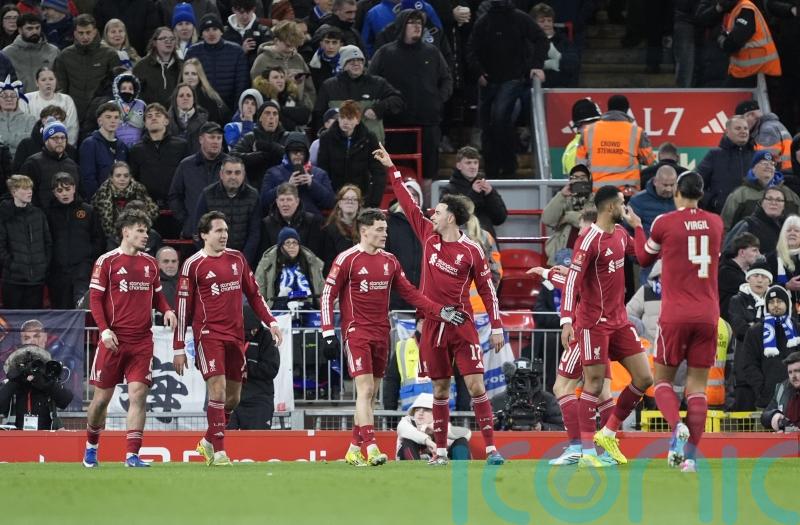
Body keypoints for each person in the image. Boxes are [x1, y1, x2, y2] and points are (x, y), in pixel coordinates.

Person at [376, 143, 507, 466]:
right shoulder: (429, 236)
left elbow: (487, 290)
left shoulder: (472, 251)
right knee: (439, 389)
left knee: (476, 385)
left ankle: (492, 449)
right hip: (434, 325)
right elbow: (407, 203)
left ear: (451, 218)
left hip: (462, 323)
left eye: (438, 211)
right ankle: (441, 452)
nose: (432, 214)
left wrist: (496, 326)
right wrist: (392, 168)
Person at [321, 207, 464, 466]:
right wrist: (328, 332)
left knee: (371, 394)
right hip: (356, 332)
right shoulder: (347, 259)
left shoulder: (390, 261)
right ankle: (372, 447)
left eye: (385, 229)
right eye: (380, 229)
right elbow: (327, 295)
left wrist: (438, 310)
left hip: (381, 333)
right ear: (364, 231)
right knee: (365, 390)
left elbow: (411, 293)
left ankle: (353, 448)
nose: (385, 234)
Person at [628, 171, 724, 473]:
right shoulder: (716, 223)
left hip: (675, 314)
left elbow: (643, 259)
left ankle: (676, 427)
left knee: (662, 381)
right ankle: (690, 459)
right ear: (701, 194)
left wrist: (636, 227)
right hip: (708, 314)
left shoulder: (664, 222)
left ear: (677, 193)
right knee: (697, 388)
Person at [173, 211, 283, 466]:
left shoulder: (237, 259)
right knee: (218, 390)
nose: (224, 235)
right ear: (204, 235)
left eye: (225, 231)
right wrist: (179, 347)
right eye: (218, 231)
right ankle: (219, 452)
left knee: (233, 398)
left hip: (235, 336)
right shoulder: (193, 265)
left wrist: (272, 322)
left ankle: (207, 441)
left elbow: (254, 294)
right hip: (208, 335)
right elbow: (183, 309)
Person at [559, 184, 654, 467]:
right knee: (594, 383)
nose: (626, 208)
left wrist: (639, 227)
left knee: (644, 378)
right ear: (611, 207)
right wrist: (567, 320)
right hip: (594, 324)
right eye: (623, 203)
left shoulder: (621, 233)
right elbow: (572, 282)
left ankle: (608, 433)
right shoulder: (589, 240)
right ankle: (588, 453)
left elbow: (644, 257)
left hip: (620, 322)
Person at [83, 209, 177, 468]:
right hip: (113, 340)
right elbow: (95, 300)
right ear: (126, 232)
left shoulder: (150, 264)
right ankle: (91, 447)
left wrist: (167, 310)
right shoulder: (107, 261)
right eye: (140, 230)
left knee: (138, 394)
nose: (146, 235)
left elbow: (157, 295)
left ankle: (132, 456)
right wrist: (104, 330)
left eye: (146, 231)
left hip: (142, 341)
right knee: (101, 401)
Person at [369, 10, 451, 184]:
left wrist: (438, 100)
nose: (417, 26)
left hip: (428, 122)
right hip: (395, 123)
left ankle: (426, 202)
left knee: (428, 172)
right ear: (401, 25)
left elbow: (446, 79)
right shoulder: (385, 53)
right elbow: (372, 81)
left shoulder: (432, 52)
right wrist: (383, 106)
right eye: (412, 22)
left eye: (419, 23)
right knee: (398, 171)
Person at [467, 0, 546, 179]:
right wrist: (478, 72)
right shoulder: (484, 21)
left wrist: (536, 64)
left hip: (512, 78)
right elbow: (471, 49)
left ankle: (508, 167)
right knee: (488, 125)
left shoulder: (520, 18)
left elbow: (541, 39)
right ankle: (493, 170)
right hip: (488, 80)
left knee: (500, 118)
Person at [313, 44, 403, 142]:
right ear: (343, 64)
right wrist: (323, 137)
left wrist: (379, 109)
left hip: (371, 144)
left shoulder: (377, 83)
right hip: (338, 144)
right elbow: (319, 115)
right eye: (351, 61)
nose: (356, 64)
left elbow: (398, 100)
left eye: (360, 60)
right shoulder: (329, 86)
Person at [45, 172, 105, 309]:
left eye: (67, 189)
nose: (64, 193)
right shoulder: (48, 213)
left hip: (82, 268)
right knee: (61, 310)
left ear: (74, 188)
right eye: (60, 190)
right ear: (54, 193)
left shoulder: (88, 211)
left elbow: (98, 239)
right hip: (57, 271)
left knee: (81, 308)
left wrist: (88, 258)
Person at [575, 95, 655, 193]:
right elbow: (649, 160)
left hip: (598, 193)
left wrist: (581, 192)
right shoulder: (636, 132)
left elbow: (580, 166)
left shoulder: (588, 131)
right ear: (626, 110)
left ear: (608, 108)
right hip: (627, 192)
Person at [739, 285, 800, 410]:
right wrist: (762, 389)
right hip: (766, 401)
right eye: (771, 302)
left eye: (779, 301)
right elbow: (748, 364)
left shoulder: (797, 328)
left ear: (787, 303)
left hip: (797, 399)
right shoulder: (755, 331)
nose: (775, 305)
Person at [194, 155, 262, 266]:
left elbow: (254, 234)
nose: (233, 177)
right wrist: (211, 258)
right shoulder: (207, 194)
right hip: (212, 261)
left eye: (237, 173)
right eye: (229, 172)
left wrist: (242, 261)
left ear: (243, 175)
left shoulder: (253, 196)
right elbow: (199, 230)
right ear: (221, 174)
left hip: (243, 261)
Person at [52, 14, 121, 122]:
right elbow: (60, 89)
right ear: (75, 33)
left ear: (95, 32)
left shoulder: (110, 55)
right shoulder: (64, 56)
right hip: (73, 113)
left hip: (101, 113)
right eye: (81, 33)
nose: (85, 37)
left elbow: (115, 87)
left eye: (88, 32)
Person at [316, 99, 385, 207]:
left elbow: (378, 171)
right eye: (342, 117)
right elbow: (323, 170)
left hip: (361, 196)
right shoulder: (326, 137)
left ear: (358, 120)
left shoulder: (369, 138)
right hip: (334, 196)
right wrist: (329, 197)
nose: (345, 122)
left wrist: (373, 202)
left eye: (350, 118)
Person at [128, 102, 190, 216]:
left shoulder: (182, 146)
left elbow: (188, 176)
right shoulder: (136, 150)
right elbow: (133, 181)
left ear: (166, 121)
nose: (153, 118)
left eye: (158, 115)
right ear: (145, 123)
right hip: (147, 209)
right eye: (149, 116)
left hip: (177, 208)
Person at [0, 174, 51, 309]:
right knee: (13, 321)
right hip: (13, 281)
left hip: (36, 281)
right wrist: (13, 265)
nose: (30, 192)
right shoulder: (4, 215)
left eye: (30, 188)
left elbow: (48, 243)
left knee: (33, 319)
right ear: (14, 192)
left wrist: (43, 265)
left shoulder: (38, 214)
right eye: (25, 188)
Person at [168, 121, 225, 240]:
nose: (216, 141)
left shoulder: (231, 166)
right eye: (211, 137)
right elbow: (174, 196)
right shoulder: (186, 165)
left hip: (223, 233)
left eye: (219, 138)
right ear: (201, 139)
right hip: (193, 233)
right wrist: (188, 220)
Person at [228, 305, 281, 430]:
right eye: (250, 330)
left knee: (257, 440)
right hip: (232, 398)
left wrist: (246, 367)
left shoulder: (267, 337)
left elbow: (271, 368)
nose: (253, 332)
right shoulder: (230, 336)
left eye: (255, 329)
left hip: (259, 400)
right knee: (226, 438)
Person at [439, 146, 507, 240]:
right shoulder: (448, 190)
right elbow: (450, 220)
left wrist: (490, 194)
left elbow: (500, 218)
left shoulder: (485, 188)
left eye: (475, 162)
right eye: (468, 163)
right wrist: (474, 194)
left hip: (486, 242)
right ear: (459, 166)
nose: (473, 167)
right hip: (460, 243)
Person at [721, 151, 800, 231]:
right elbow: (725, 227)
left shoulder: (789, 194)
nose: (769, 166)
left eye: (772, 164)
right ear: (753, 168)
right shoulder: (740, 195)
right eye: (764, 163)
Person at [261, 131, 335, 216]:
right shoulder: (273, 173)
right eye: (294, 152)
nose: (298, 155)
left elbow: (330, 202)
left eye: (302, 152)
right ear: (288, 153)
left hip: (312, 221)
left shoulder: (319, 174)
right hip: (282, 220)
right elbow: (264, 203)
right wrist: (287, 186)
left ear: (307, 154)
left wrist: (312, 184)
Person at [0, 344, 73, 430]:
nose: (31, 369)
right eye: (26, 365)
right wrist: (16, 380)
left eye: (35, 365)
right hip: (16, 434)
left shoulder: (46, 382)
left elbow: (65, 400)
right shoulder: (13, 383)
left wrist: (47, 383)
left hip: (46, 434)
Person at [185, 13, 249, 111]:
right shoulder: (193, 52)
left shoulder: (236, 51)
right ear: (201, 34)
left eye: (215, 29)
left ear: (221, 32)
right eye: (207, 30)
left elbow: (242, 84)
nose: (211, 33)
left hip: (230, 109)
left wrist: (237, 111)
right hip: (200, 109)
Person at [254, 225, 325, 310]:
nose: (292, 246)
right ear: (281, 246)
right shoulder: (267, 263)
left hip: (309, 308)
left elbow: (322, 289)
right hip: (276, 310)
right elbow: (258, 292)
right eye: (287, 243)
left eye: (295, 242)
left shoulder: (311, 263)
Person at [249, 20, 316, 106]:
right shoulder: (262, 60)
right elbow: (256, 90)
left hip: (298, 111)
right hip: (271, 111)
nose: (291, 49)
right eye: (288, 45)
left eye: (294, 45)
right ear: (276, 40)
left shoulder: (298, 59)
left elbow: (309, 88)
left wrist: (306, 107)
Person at [698, 115, 754, 214]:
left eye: (746, 128)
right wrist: (714, 202)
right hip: (721, 215)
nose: (743, 131)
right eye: (738, 128)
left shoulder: (755, 156)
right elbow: (696, 183)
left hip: (751, 215)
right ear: (727, 131)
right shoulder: (715, 155)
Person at [19, 116, 79, 208]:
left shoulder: (72, 164)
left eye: (63, 137)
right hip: (43, 214)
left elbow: (78, 193)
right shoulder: (32, 163)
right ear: (46, 140)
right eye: (55, 138)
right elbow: (25, 194)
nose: (59, 141)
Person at [717, 0, 780, 87]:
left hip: (756, 71)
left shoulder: (745, 9)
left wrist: (721, 39)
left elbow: (731, 44)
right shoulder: (738, 9)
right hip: (750, 71)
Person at [91, 161, 159, 240]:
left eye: (126, 176)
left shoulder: (139, 190)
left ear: (130, 177)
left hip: (137, 238)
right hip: (108, 240)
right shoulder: (101, 194)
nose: (122, 179)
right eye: (118, 176)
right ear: (111, 178)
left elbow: (152, 213)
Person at [542, 164, 594, 266]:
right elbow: (547, 219)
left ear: (589, 180)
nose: (578, 181)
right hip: (562, 257)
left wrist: (567, 216)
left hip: (588, 257)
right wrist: (562, 195)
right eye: (575, 178)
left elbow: (589, 223)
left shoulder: (596, 200)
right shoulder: (563, 199)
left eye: (582, 178)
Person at [396, 393, 472, 461]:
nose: (420, 413)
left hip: (440, 463)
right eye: (417, 410)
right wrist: (429, 442)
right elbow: (406, 430)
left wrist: (436, 428)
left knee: (461, 441)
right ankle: (414, 468)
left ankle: (461, 470)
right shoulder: (406, 422)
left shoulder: (441, 424)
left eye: (426, 410)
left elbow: (467, 434)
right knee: (407, 440)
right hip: (413, 465)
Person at [232, 100, 288, 190]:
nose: (271, 117)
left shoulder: (286, 137)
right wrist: (260, 155)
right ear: (260, 118)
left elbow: (291, 157)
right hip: (253, 188)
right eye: (267, 113)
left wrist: (270, 147)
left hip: (282, 189)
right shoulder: (250, 137)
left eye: (275, 114)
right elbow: (233, 157)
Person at [260, 181, 325, 257]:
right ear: (277, 202)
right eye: (282, 200)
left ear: (297, 201)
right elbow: (265, 256)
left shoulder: (312, 222)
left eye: (289, 199)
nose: (285, 204)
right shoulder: (267, 224)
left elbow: (314, 256)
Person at [79, 102, 129, 199]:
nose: (113, 121)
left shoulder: (122, 147)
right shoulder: (89, 144)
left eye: (116, 117)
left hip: (120, 200)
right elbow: (88, 178)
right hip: (99, 200)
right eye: (108, 117)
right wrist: (98, 200)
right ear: (100, 121)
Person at [3, 13, 59, 95]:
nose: (35, 31)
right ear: (20, 30)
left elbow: (60, 80)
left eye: (37, 28)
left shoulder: (53, 51)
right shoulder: (7, 53)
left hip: (47, 99)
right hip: (18, 100)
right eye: (30, 28)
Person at [23, 67, 79, 146]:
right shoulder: (27, 99)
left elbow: (72, 129)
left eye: (51, 79)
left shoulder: (66, 100)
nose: (48, 83)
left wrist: (62, 146)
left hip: (61, 146)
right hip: (34, 146)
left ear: (56, 81)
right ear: (37, 83)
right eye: (43, 80)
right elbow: (24, 127)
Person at [724, 186, 787, 255]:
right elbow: (728, 253)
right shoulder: (748, 224)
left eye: (778, 200)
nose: (774, 203)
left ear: (784, 205)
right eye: (769, 199)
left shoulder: (788, 228)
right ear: (762, 202)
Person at [736, 99, 793, 172]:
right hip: (786, 172)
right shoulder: (771, 125)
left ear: (751, 115)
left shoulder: (766, 131)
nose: (741, 124)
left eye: (742, 119)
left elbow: (765, 162)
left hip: (782, 174)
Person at [132, 26, 182, 109]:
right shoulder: (141, 67)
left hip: (176, 113)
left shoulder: (181, 65)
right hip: (150, 113)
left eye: (172, 39)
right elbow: (136, 94)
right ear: (154, 43)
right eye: (164, 38)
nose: (168, 41)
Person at [252, 66, 312, 131]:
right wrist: (290, 113)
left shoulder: (290, 95)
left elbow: (305, 115)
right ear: (267, 81)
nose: (280, 80)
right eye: (275, 77)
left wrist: (281, 109)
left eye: (282, 77)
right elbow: (288, 125)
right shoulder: (261, 97)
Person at [94, 0, 160, 59]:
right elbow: (99, 31)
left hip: (140, 56)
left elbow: (152, 32)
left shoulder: (147, 4)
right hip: (108, 57)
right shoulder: (102, 3)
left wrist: (147, 56)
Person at [179, 57, 230, 126]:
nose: (190, 77)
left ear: (199, 76)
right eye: (186, 73)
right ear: (182, 76)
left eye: (194, 74)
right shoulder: (175, 96)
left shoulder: (209, 98)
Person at [720, 232, 761, 316]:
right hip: (727, 321)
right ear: (742, 252)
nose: (758, 255)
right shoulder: (726, 272)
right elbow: (754, 288)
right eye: (754, 250)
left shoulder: (750, 271)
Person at [320, 183, 360, 272]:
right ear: (340, 203)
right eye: (346, 199)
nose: (350, 201)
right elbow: (329, 262)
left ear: (359, 204)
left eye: (354, 199)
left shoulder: (366, 228)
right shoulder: (329, 230)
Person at [222, 0, 272, 68]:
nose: (245, 16)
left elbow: (270, 57)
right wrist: (241, 51)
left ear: (253, 9)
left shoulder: (263, 31)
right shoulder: (225, 33)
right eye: (241, 12)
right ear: (234, 10)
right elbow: (222, 59)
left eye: (248, 12)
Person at [760, 351, 800, 432]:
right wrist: (774, 415)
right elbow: (764, 416)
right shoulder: (782, 389)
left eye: (797, 371)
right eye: (790, 372)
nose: (793, 376)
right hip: (788, 438)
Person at [767, 215, 800, 306]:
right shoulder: (771, 258)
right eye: (788, 230)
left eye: (797, 231)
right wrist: (786, 285)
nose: (792, 233)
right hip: (780, 307)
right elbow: (764, 285)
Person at [167, 83, 209, 153]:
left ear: (194, 99)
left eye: (188, 95)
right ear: (175, 99)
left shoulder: (205, 124)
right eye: (181, 96)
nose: (185, 98)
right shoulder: (165, 123)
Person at [562, 98, 600, 175]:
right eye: (591, 122)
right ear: (579, 125)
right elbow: (578, 180)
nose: (596, 125)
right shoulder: (575, 150)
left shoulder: (594, 143)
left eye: (598, 121)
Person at [0, 76, 35, 158]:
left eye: (13, 96)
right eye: (4, 96)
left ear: (17, 99)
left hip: (22, 160)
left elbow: (30, 142)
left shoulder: (29, 119)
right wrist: (18, 137)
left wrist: (3, 137)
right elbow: (23, 140)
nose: (9, 99)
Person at [109, 72, 147, 147]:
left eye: (130, 89)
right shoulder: (112, 104)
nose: (127, 91)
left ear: (135, 90)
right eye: (123, 88)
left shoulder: (141, 104)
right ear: (118, 90)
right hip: (116, 146)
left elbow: (146, 126)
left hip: (137, 146)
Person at [156, 246, 180, 310]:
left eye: (174, 261)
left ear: (178, 263)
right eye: (166, 261)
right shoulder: (151, 285)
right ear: (157, 264)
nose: (170, 265)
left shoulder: (187, 284)